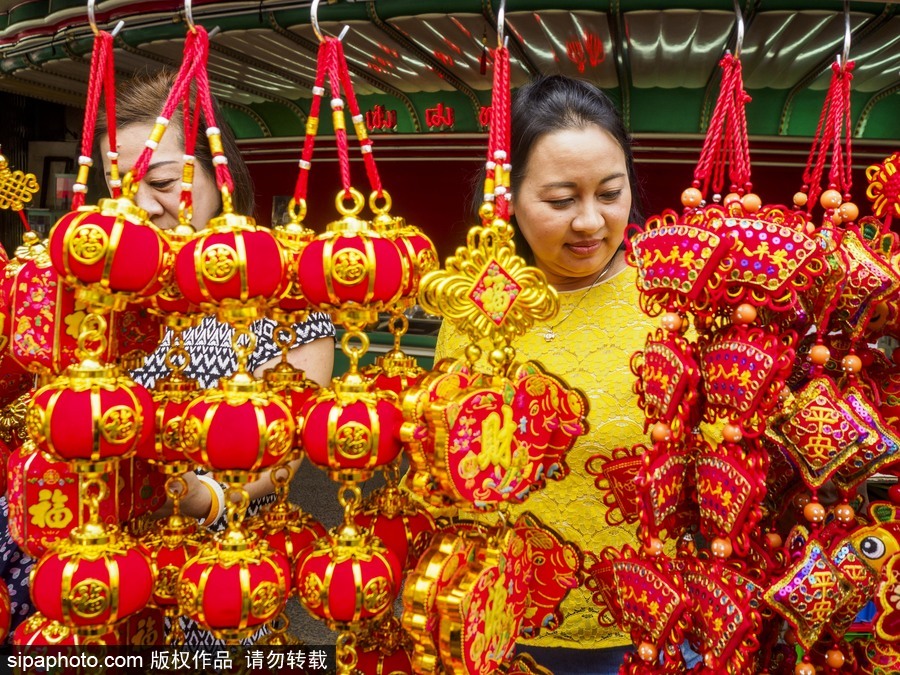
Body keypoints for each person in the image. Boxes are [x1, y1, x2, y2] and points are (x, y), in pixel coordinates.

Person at [432, 75, 649, 674]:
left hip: (646, 628)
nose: (589, 222)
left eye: (610, 193)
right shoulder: (478, 307)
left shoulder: (670, 300)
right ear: (507, 199)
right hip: (497, 621)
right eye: (560, 201)